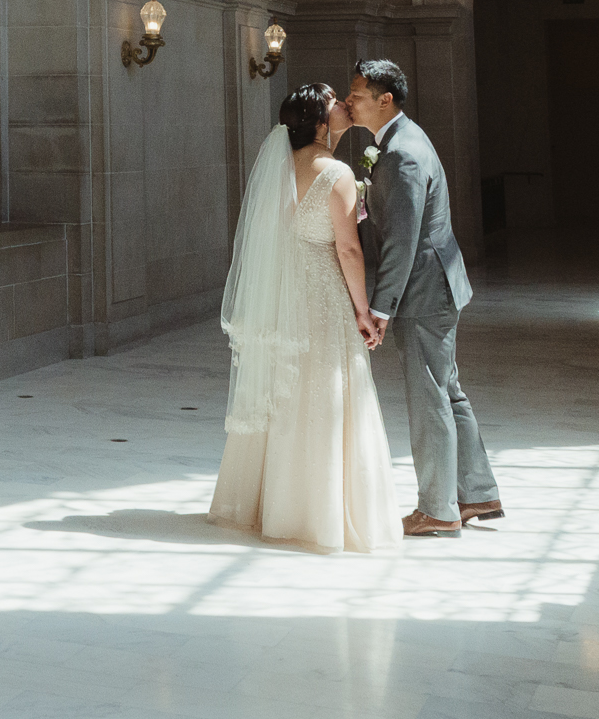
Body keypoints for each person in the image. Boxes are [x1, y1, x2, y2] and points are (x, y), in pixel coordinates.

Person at [206, 82, 399, 553]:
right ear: (319, 120)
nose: (343, 105)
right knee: (326, 388)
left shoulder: (277, 168)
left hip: (283, 292)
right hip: (321, 292)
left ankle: (270, 504)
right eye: (334, 101)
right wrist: (364, 311)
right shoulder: (335, 173)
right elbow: (349, 249)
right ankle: (319, 511)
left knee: (286, 389)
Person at [349, 59, 501, 537]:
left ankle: (437, 508)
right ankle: (476, 494)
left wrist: (379, 308)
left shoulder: (402, 152)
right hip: (437, 284)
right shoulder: (396, 141)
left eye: (356, 93)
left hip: (425, 289)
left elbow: (403, 239)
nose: (349, 101)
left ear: (384, 99)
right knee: (446, 391)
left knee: (429, 396)